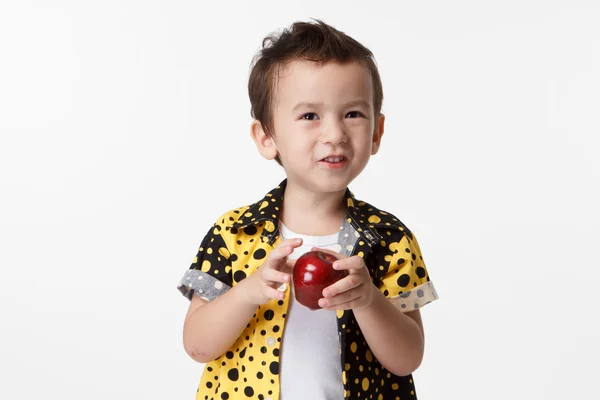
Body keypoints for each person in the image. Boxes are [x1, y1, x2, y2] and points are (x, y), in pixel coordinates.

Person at [177, 19, 439, 400]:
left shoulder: (388, 238)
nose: (334, 133)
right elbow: (197, 345)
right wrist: (250, 290)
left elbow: (407, 358)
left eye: (352, 114)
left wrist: (368, 300)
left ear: (377, 133)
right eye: (310, 116)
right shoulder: (235, 232)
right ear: (266, 137)